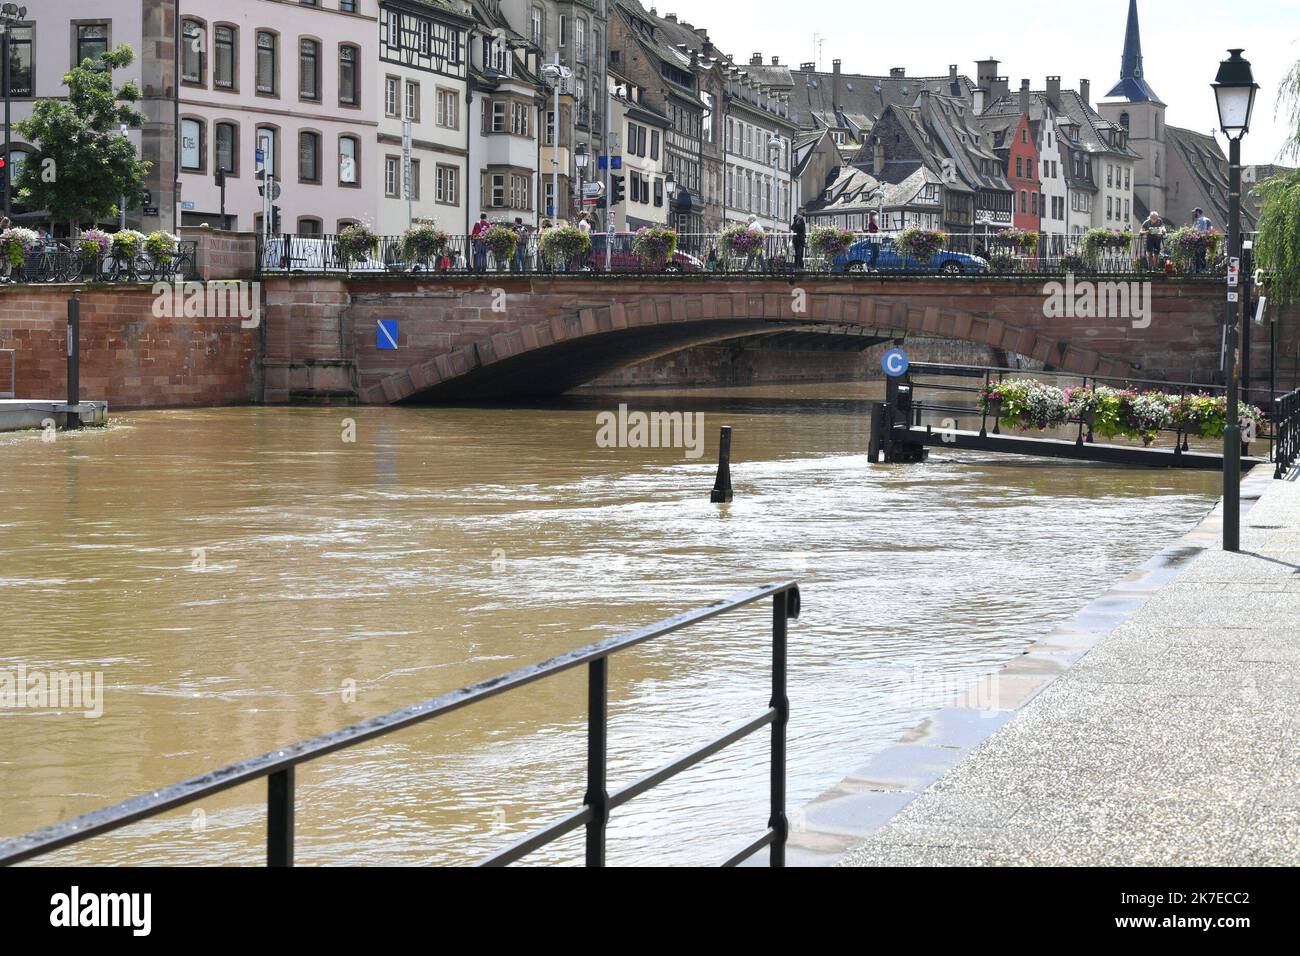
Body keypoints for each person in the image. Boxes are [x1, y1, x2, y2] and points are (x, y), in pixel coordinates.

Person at [1190, 207, 1213, 274]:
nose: (1194, 214)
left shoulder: (1198, 220)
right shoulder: (1208, 220)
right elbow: (1210, 229)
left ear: (1198, 212)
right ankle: (1204, 269)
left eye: (1195, 213)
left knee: (1198, 255)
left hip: (1198, 239)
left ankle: (1198, 270)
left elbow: (1194, 230)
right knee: (1203, 254)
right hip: (1205, 239)